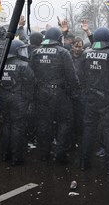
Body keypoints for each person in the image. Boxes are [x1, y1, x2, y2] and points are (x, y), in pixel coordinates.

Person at [78, 27, 109, 175]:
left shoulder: (86, 54)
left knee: (88, 131)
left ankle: (84, 163)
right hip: (107, 99)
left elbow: (81, 76)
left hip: (90, 98)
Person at [30, 27, 80, 164]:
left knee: (44, 123)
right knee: (65, 122)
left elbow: (31, 74)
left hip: (41, 93)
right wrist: (75, 94)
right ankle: (60, 154)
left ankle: (44, 154)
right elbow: (72, 76)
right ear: (58, 38)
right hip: (59, 93)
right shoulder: (63, 52)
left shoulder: (35, 52)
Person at [0, 40, 35, 165]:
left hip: (4, 97)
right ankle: (16, 158)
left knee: (7, 125)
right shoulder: (24, 65)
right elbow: (31, 83)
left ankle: (4, 155)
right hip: (19, 99)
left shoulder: (1, 64)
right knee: (18, 127)